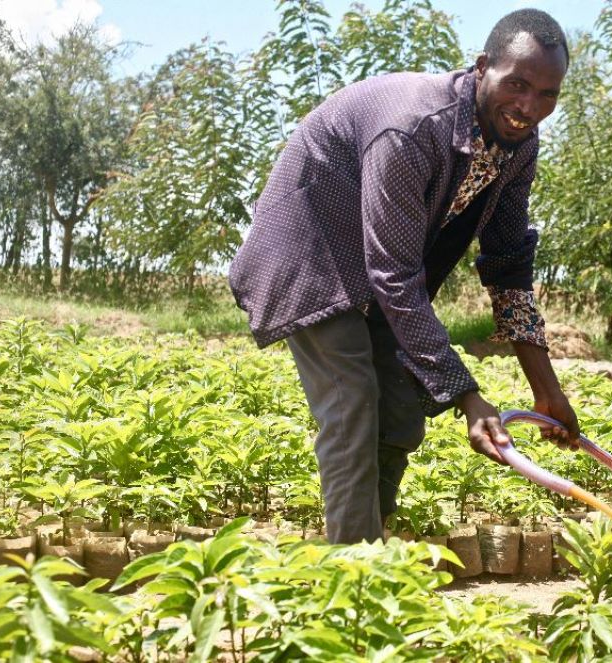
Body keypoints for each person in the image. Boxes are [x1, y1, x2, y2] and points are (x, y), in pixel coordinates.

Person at [229, 9, 580, 544]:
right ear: (482, 67)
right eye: (517, 85)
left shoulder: (518, 148)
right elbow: (393, 275)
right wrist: (467, 396)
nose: (529, 107)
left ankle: (369, 546)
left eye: (547, 95)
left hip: (373, 274)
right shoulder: (415, 126)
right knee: (352, 405)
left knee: (398, 413)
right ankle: (352, 574)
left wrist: (546, 390)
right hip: (311, 259)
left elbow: (508, 263)